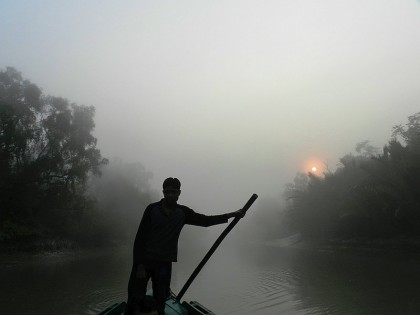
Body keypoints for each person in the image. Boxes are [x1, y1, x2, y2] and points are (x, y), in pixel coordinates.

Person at [125, 177, 245, 315]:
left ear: (179, 193)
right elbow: (140, 238)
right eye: (167, 191)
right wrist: (139, 265)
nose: (170, 194)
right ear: (163, 192)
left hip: (164, 263)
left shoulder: (182, 212)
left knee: (160, 302)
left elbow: (205, 221)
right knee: (134, 300)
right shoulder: (152, 209)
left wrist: (232, 215)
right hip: (144, 262)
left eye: (173, 192)